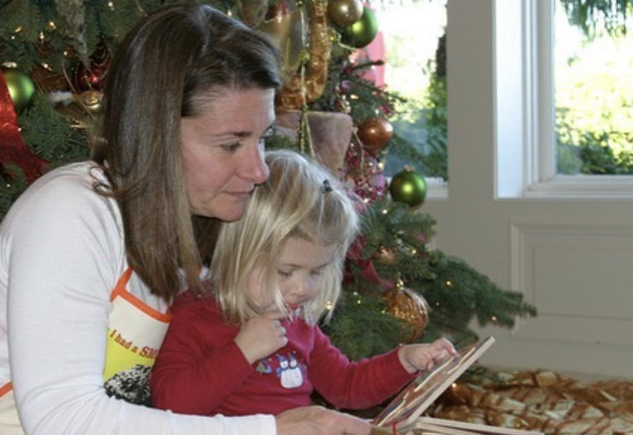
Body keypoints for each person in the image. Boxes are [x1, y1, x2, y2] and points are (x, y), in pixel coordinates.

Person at [0, 3, 375, 435]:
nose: (259, 170)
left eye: (262, 140)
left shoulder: (194, 230)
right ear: (157, 132)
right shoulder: (70, 213)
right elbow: (64, 421)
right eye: (230, 145)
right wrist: (270, 430)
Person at [150, 150, 457, 416]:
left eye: (316, 272)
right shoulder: (197, 315)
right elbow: (171, 404)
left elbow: (346, 386)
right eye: (286, 272)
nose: (302, 288)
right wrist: (242, 351)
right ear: (241, 252)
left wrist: (404, 360)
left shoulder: (296, 323)